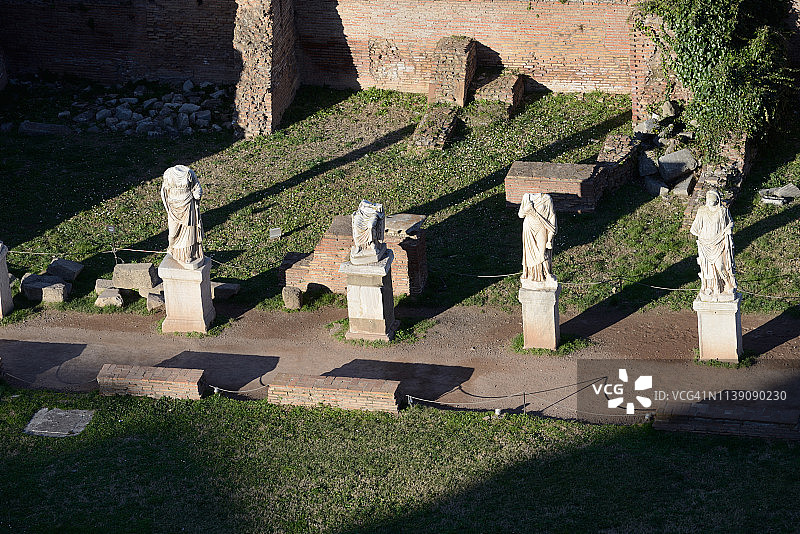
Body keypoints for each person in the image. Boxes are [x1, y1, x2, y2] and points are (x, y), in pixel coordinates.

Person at [690, 189, 736, 297]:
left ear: (717, 200)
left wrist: (728, 230)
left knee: (720, 266)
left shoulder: (722, 211)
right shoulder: (702, 211)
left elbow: (730, 222)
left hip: (719, 242)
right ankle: (710, 287)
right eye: (709, 200)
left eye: (713, 200)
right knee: (708, 268)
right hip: (705, 244)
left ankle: (728, 284)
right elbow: (694, 228)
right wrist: (700, 236)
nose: (711, 202)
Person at [161, 165, 204, 266]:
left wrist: (197, 195)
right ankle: (172, 249)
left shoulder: (189, 173)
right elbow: (164, 191)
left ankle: (188, 255)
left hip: (187, 206)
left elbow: (197, 187)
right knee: (173, 233)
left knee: (188, 232)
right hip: (173, 207)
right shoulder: (168, 173)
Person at [519, 192, 557, 284]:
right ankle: (529, 273)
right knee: (529, 252)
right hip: (529, 227)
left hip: (541, 226)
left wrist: (552, 232)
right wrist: (526, 209)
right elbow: (520, 215)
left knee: (542, 251)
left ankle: (547, 274)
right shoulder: (526, 197)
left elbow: (552, 215)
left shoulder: (547, 198)